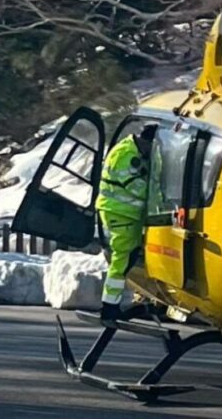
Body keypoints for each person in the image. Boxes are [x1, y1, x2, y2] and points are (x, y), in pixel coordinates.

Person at [95, 124, 157, 322]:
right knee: (123, 258)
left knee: (127, 257)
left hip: (122, 213)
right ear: (146, 142)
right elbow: (138, 188)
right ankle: (110, 307)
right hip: (121, 214)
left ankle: (112, 304)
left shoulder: (128, 149)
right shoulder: (127, 156)